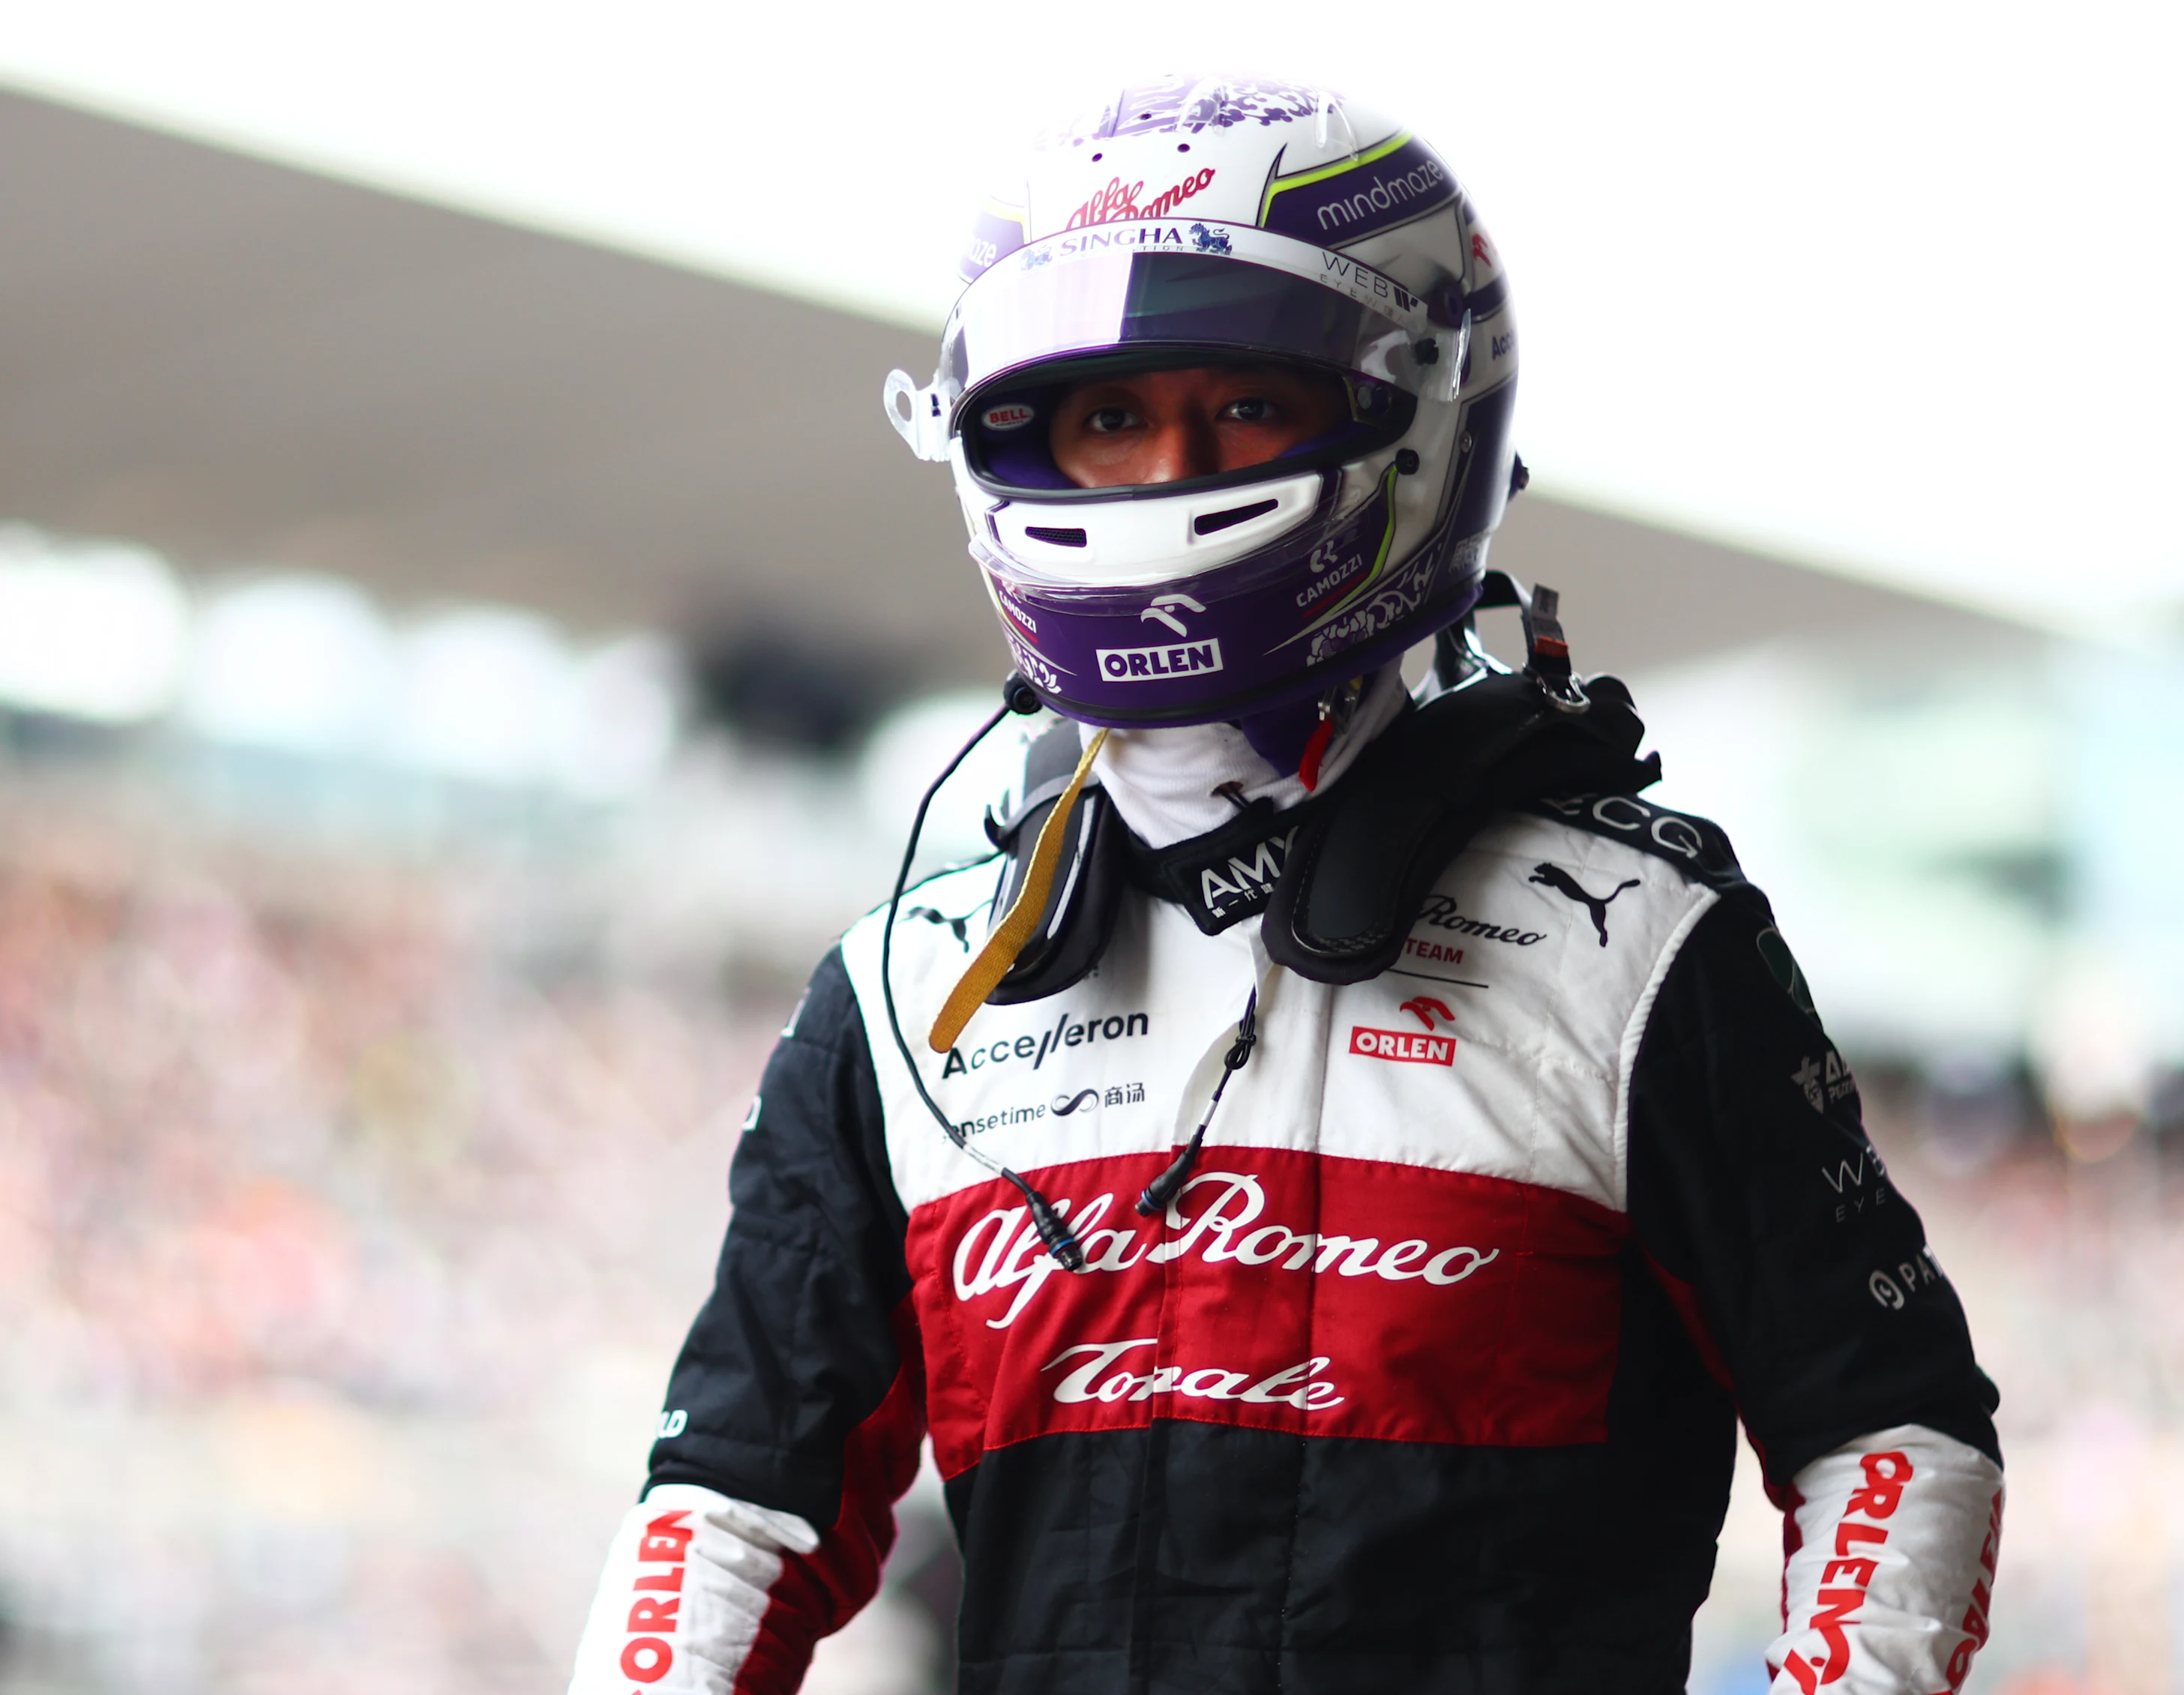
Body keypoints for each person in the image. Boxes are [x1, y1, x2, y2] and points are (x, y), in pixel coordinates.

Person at [568, 74, 2005, 1695]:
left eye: (1242, 405)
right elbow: (730, 1504)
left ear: (1415, 417)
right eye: (1108, 417)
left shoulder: (1644, 949)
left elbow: (1894, 1439)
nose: (1167, 470)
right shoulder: (903, 994)